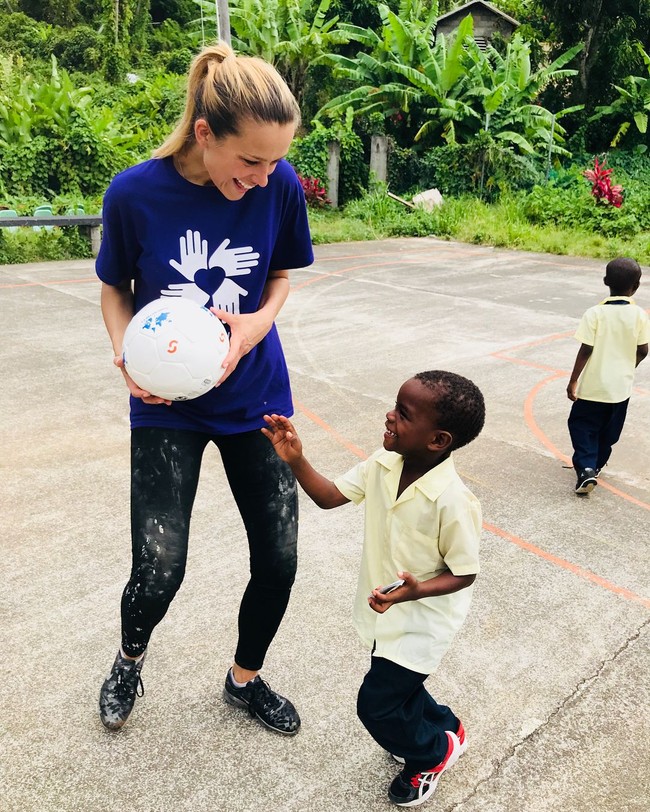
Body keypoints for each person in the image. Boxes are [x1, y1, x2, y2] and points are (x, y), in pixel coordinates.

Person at [95, 42, 314, 735]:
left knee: (278, 560)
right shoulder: (134, 193)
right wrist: (125, 356)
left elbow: (280, 276)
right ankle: (129, 660)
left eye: (275, 162)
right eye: (250, 161)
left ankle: (244, 680)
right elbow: (113, 287)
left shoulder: (279, 184)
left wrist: (254, 326)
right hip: (167, 405)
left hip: (256, 395)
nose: (263, 177)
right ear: (204, 134)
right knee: (159, 567)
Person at [262, 371, 485, 807]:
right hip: (385, 609)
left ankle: (432, 753)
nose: (389, 416)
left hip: (423, 620)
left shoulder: (454, 501)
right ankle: (446, 725)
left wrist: (415, 591)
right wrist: (296, 459)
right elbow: (329, 496)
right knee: (398, 688)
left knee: (377, 705)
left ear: (438, 440)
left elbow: (464, 573)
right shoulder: (383, 464)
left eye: (403, 413)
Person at [567, 257, 648, 495]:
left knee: (582, 426)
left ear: (605, 281)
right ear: (636, 286)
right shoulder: (639, 315)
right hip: (621, 389)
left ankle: (586, 469)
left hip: (593, 388)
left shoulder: (594, 313)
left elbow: (586, 349)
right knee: (609, 431)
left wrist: (573, 380)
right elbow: (643, 350)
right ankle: (597, 465)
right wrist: (629, 366)